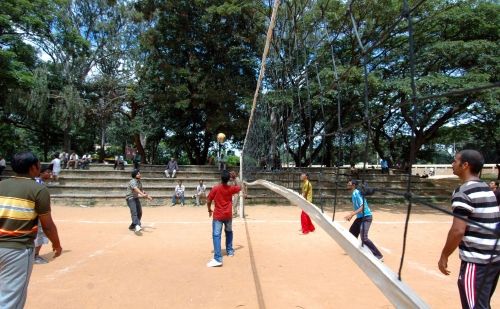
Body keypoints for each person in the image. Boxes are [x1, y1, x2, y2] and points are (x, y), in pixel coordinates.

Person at [438, 150, 499, 309]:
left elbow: (458, 230)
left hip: (477, 261)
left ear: (465, 165)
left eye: (455, 161)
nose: (452, 164)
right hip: (494, 259)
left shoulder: (463, 192)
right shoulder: (486, 188)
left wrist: (444, 255)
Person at [0, 151, 62, 308]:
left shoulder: (1, 185)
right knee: (10, 298)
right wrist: (56, 244)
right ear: (34, 167)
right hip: (17, 248)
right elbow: (47, 225)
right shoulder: (38, 189)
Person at [206, 170, 241, 267]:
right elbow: (240, 187)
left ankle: (217, 258)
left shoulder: (215, 188)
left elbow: (208, 200)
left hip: (218, 215)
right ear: (229, 179)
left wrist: (209, 209)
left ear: (221, 178)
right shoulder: (230, 188)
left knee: (216, 235)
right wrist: (235, 178)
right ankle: (230, 251)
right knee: (229, 231)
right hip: (228, 215)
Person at [345, 179, 384, 261]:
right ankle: (356, 249)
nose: (347, 185)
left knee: (364, 237)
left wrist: (352, 214)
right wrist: (353, 215)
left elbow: (362, 207)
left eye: (349, 184)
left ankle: (378, 255)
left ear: (353, 185)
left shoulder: (356, 193)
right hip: (360, 218)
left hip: (366, 217)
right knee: (352, 233)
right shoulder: (354, 194)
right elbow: (357, 207)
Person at [33, 166, 53, 264]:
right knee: (39, 233)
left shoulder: (38, 182)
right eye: (47, 172)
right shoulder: (38, 183)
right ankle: (35, 256)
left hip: (36, 213)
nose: (49, 174)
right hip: (38, 213)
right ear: (41, 173)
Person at [126, 169, 152, 234]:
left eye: (139, 173)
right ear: (135, 175)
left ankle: (132, 225)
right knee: (134, 212)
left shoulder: (139, 182)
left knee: (139, 213)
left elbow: (142, 190)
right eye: (138, 174)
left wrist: (147, 196)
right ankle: (137, 226)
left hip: (136, 198)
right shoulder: (132, 181)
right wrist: (142, 194)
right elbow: (136, 189)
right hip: (130, 198)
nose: (139, 174)